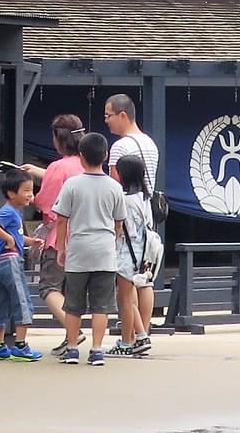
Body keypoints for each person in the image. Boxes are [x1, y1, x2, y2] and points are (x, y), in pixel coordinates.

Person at [51, 132, 125, 366]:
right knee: (101, 305)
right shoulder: (114, 187)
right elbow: (119, 223)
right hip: (104, 250)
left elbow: (61, 219)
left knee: (73, 304)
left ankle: (72, 348)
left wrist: (62, 248)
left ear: (81, 156)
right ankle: (97, 350)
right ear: (105, 156)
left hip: (78, 249)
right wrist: (112, 241)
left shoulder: (72, 184)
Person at [30, 114, 87, 332]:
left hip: (60, 238)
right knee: (73, 292)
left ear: (58, 138)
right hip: (85, 237)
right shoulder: (87, 165)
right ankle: (70, 335)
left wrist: (27, 195)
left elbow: (46, 203)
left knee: (49, 287)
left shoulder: (58, 167)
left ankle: (73, 331)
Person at [0, 172, 43, 361]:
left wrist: (29, 241)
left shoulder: (13, 212)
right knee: (22, 299)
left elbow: (15, 236)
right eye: (26, 190)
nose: (30, 195)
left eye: (31, 191)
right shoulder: (9, 211)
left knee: (0, 302)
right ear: (11, 193)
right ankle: (20, 346)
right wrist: (8, 238)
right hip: (10, 261)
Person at [112, 152, 162, 358]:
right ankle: (138, 335)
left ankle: (134, 338)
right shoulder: (145, 197)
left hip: (126, 251)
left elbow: (119, 228)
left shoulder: (125, 200)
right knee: (134, 292)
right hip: (142, 252)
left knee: (124, 298)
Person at [104, 93, 160, 194]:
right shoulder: (150, 143)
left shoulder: (120, 146)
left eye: (108, 115)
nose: (106, 120)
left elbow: (113, 187)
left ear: (122, 115)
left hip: (126, 206)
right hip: (145, 206)